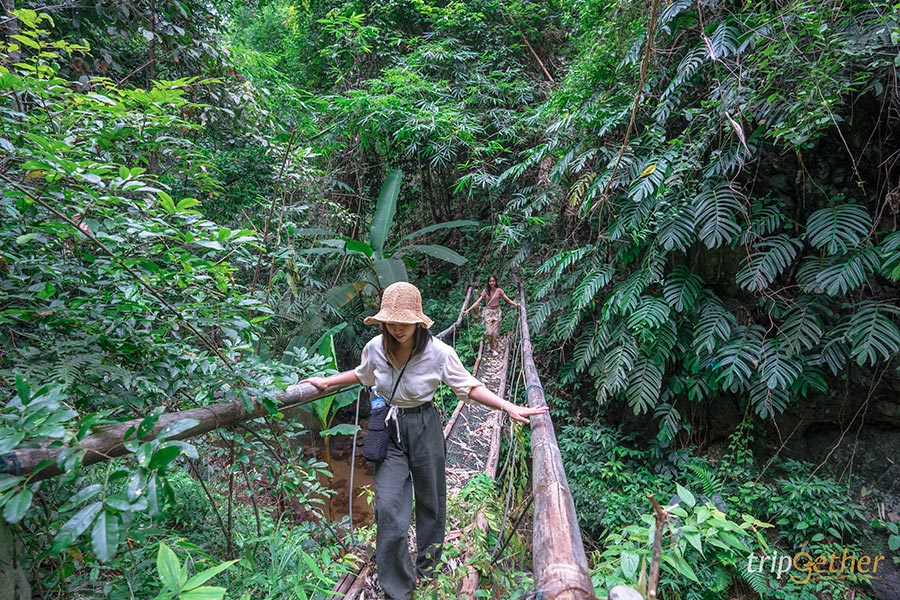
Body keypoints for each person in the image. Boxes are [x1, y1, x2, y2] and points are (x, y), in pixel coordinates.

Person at [300, 282, 546, 600]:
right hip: (389, 430)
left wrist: (508, 406)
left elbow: (468, 387)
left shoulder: (439, 353)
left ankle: (427, 566)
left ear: (418, 321)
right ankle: (399, 588)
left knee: (431, 501)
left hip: (424, 426)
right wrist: (326, 381)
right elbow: (363, 374)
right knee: (388, 509)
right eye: (391, 321)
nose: (398, 328)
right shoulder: (376, 347)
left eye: (404, 322)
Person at [463, 275, 519, 352]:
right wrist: (468, 310)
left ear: (495, 282)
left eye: (493, 281)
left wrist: (515, 304)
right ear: (488, 282)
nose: (492, 283)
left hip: (496, 312)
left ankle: (494, 348)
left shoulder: (499, 290)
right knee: (489, 333)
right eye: (490, 281)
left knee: (495, 333)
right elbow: (478, 302)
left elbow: (507, 299)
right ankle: (491, 345)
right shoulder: (486, 291)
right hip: (488, 312)